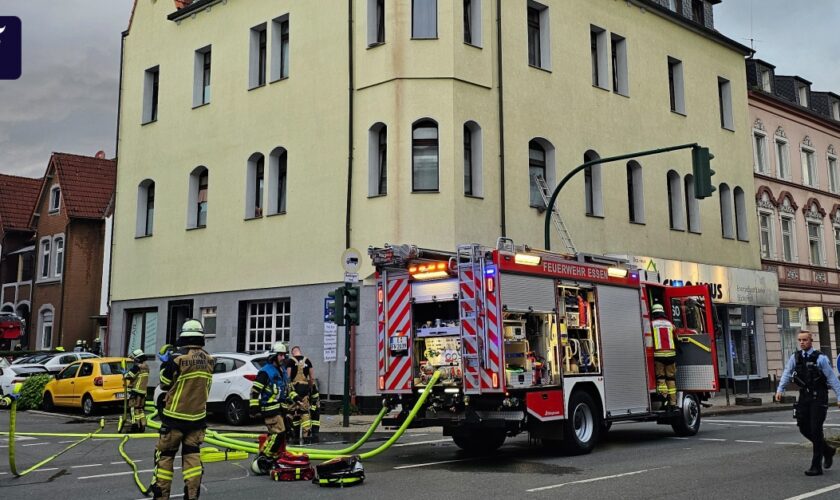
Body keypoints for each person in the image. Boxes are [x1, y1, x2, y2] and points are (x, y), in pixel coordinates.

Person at [150, 320, 214, 500]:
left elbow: (164, 383)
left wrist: (165, 363)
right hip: (197, 419)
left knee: (165, 457)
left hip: (174, 419)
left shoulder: (177, 359)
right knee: (192, 459)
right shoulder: (209, 360)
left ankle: (162, 495)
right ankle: (192, 495)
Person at [775, 331, 840, 476]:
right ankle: (827, 450)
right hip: (804, 397)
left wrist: (839, 396)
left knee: (816, 430)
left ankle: (816, 466)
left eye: (805, 340)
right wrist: (780, 389)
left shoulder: (820, 358)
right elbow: (787, 372)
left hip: (819, 397)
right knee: (803, 427)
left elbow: (832, 378)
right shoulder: (795, 357)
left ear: (811, 340)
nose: (802, 342)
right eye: (800, 340)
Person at [250, 342, 291, 475]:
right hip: (270, 409)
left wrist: (296, 399)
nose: (283, 357)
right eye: (280, 355)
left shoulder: (283, 371)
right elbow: (255, 391)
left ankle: (271, 459)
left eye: (284, 355)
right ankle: (265, 457)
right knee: (279, 433)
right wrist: (254, 407)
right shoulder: (265, 372)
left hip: (281, 409)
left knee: (279, 434)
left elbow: (289, 389)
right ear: (273, 356)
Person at [286, 346, 319, 443]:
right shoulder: (307, 361)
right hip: (304, 389)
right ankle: (306, 434)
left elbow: (288, 377)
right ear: (300, 351)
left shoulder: (290, 361)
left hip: (293, 389)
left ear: (293, 353)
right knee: (304, 411)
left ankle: (290, 432)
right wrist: (310, 388)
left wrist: (288, 389)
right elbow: (312, 377)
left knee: (291, 411)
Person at [651, 303, 678, 408]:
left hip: (659, 355)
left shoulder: (652, 324)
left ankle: (664, 400)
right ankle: (673, 403)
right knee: (671, 379)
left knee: (661, 378)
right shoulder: (670, 324)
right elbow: (676, 338)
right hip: (671, 355)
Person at [124, 348, 150, 433]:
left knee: (132, 408)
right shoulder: (146, 367)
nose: (133, 361)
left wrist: (125, 374)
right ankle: (142, 425)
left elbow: (129, 376)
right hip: (143, 392)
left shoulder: (137, 367)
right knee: (140, 408)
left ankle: (134, 426)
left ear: (137, 359)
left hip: (135, 390)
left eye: (134, 359)